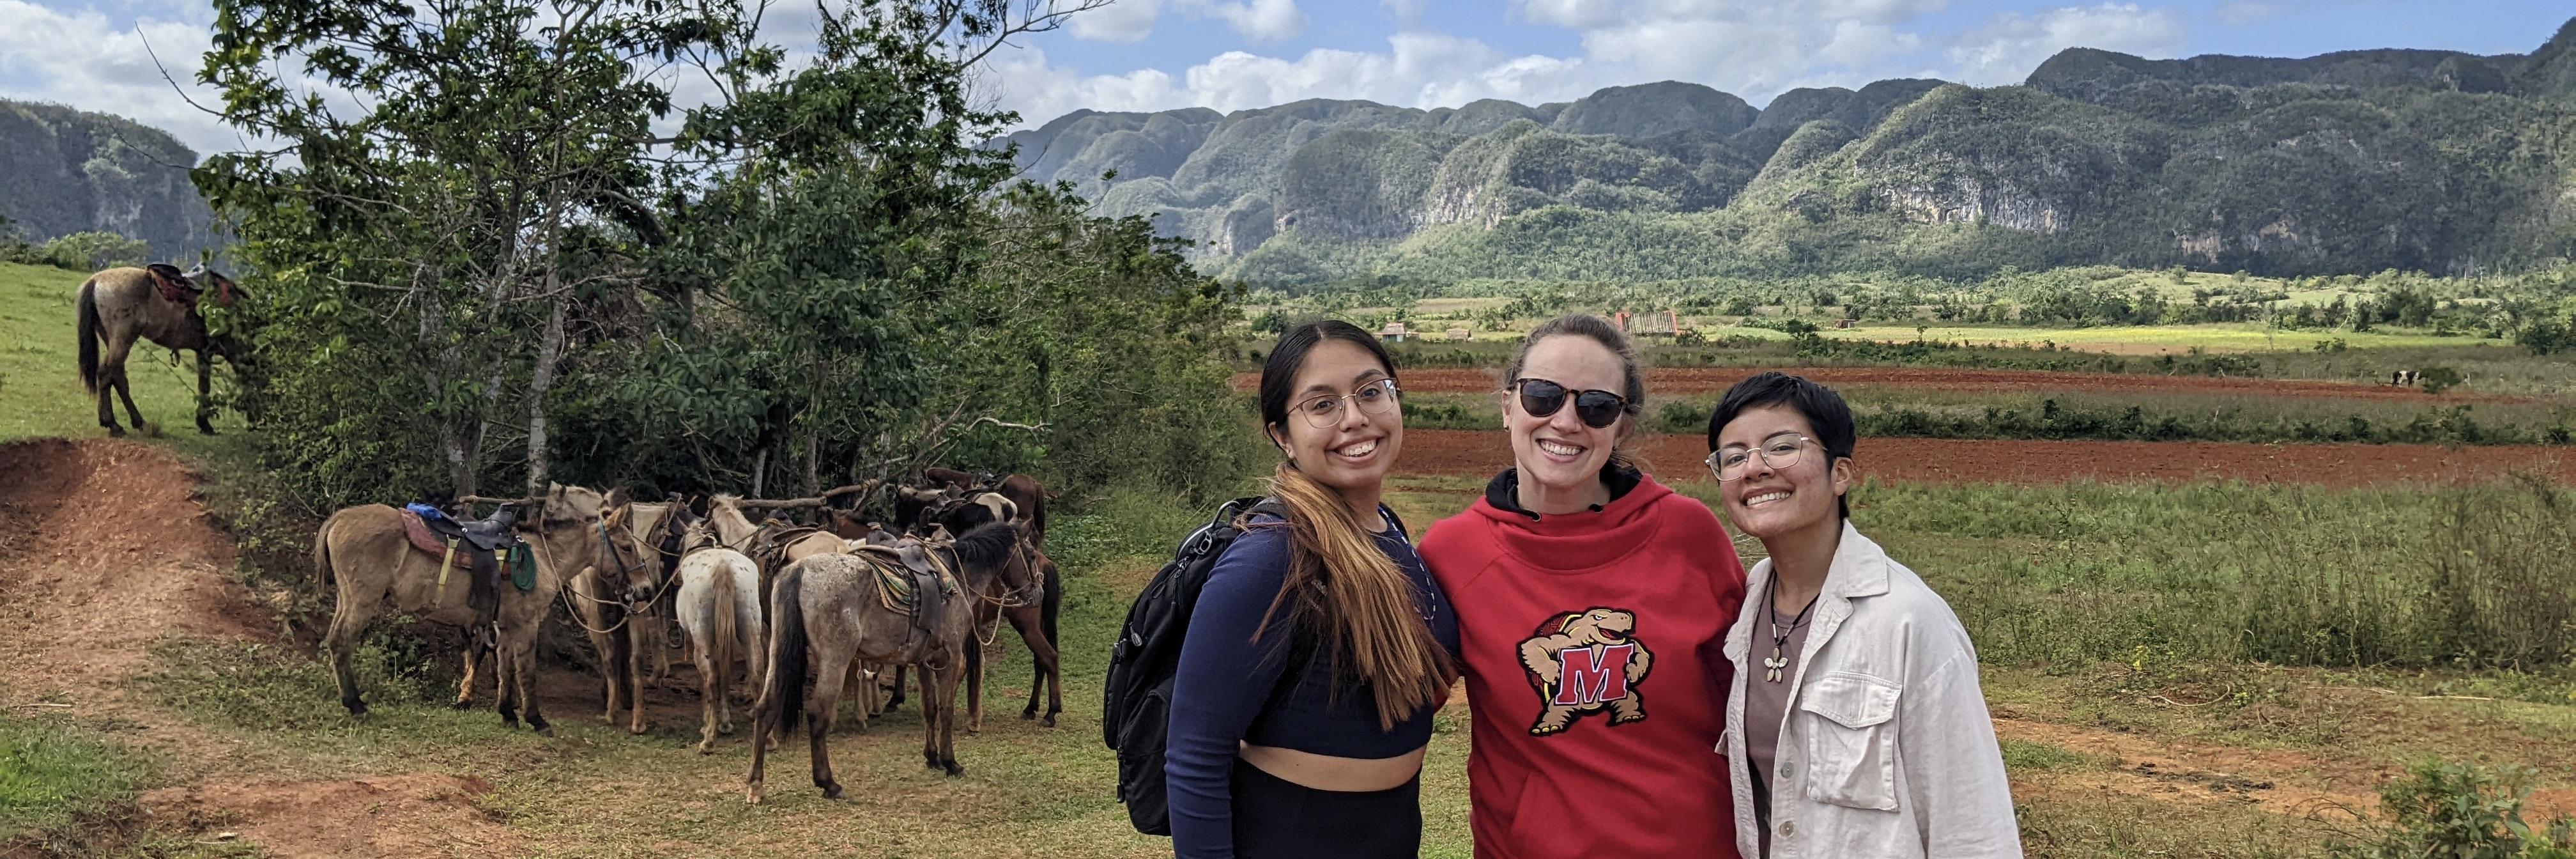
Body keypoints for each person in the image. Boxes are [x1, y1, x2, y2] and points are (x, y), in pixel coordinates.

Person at [1418, 313, 1747, 859]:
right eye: (1543, 396)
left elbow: (1752, 705)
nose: (1566, 421)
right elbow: (1390, 707)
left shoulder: (1689, 536)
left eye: (1596, 406)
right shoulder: (1455, 555)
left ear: (1622, 426)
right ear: (1508, 407)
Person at [1165, 320, 1460, 859]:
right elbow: (1194, 757)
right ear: (1282, 434)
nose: (1355, 418)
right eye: (1322, 405)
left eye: (1371, 392)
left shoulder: (1387, 529)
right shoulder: (1273, 557)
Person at [1708, 371, 2020, 858]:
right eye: (1733, 456)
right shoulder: (1746, 604)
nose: (1755, 468)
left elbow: (1972, 825)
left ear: (1841, 474)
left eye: (1782, 447)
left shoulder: (1909, 621)